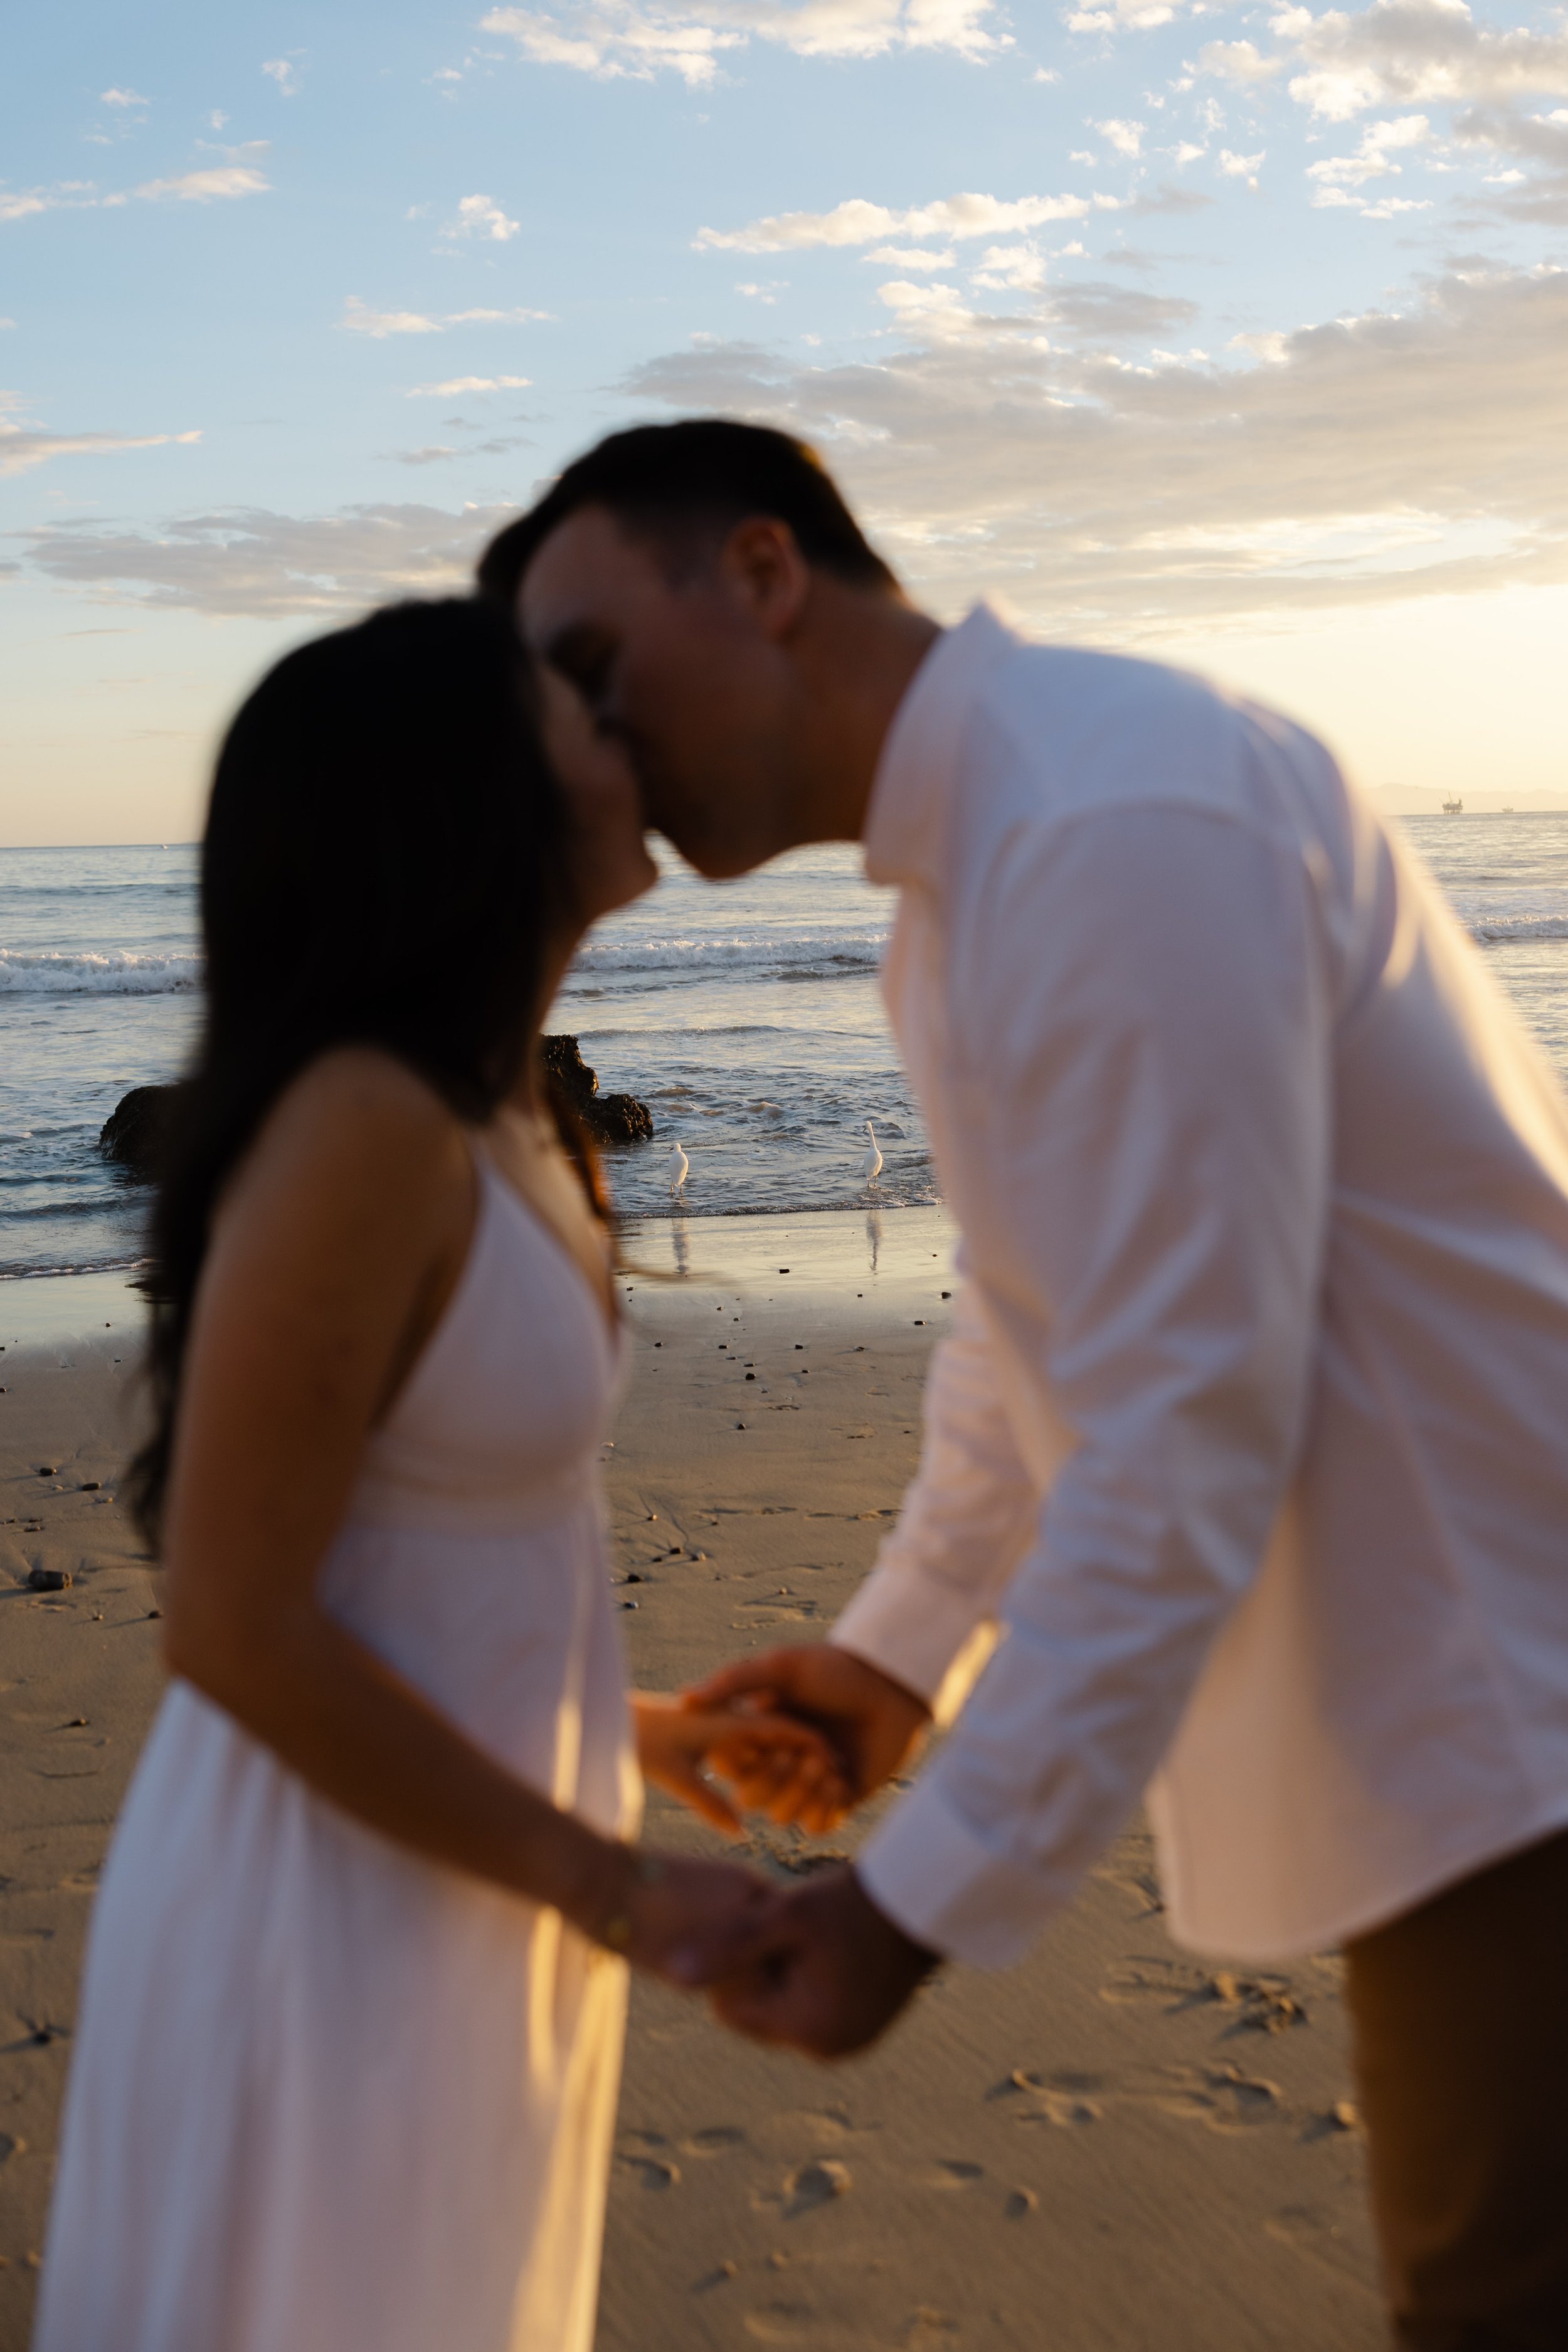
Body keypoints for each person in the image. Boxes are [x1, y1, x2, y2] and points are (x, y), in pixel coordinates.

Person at [480, 421, 1568, 2351]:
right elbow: (1033, 1308)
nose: (583, 739)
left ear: (757, 569)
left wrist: (913, 1905)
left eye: (588, 664)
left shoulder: (1106, 820)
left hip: (1509, 1694)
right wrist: (902, 1649)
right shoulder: (976, 881)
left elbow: (1182, 1423)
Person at [33, 596, 842, 2352]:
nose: (625, 734)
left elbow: (416, 1581)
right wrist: (616, 1882)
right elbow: (239, 1632)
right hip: (327, 1911)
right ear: (459, 794)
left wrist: (645, 1740)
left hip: (480, 1863)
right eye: (574, 714)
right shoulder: (364, 1123)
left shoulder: (506, 1118)